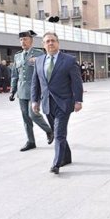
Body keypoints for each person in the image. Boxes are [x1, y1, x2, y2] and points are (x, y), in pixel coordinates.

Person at [31, 31, 83, 174]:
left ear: (58, 43)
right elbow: (35, 83)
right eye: (47, 41)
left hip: (64, 103)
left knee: (59, 133)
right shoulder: (39, 61)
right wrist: (34, 100)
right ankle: (67, 157)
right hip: (47, 103)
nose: (50, 43)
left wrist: (78, 100)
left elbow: (77, 83)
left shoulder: (69, 60)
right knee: (56, 131)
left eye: (53, 40)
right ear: (43, 45)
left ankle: (56, 164)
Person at [10, 30, 54, 152]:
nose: (23, 42)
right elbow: (15, 75)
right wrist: (12, 90)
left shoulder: (39, 54)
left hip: (35, 90)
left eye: (25, 39)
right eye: (21, 40)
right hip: (22, 90)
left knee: (33, 114)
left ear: (31, 40)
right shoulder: (17, 56)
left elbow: (45, 73)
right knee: (25, 118)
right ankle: (31, 141)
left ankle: (49, 131)